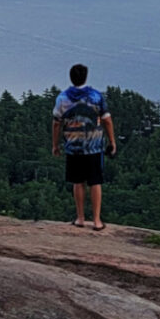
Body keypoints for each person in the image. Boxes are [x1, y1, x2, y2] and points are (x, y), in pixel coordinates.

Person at [51, 63, 116, 230]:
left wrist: (55, 144)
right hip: (94, 145)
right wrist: (112, 142)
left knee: (78, 182)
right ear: (85, 77)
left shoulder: (62, 98)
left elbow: (57, 123)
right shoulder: (96, 96)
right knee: (95, 182)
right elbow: (107, 119)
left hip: (73, 145)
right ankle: (96, 221)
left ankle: (80, 218)